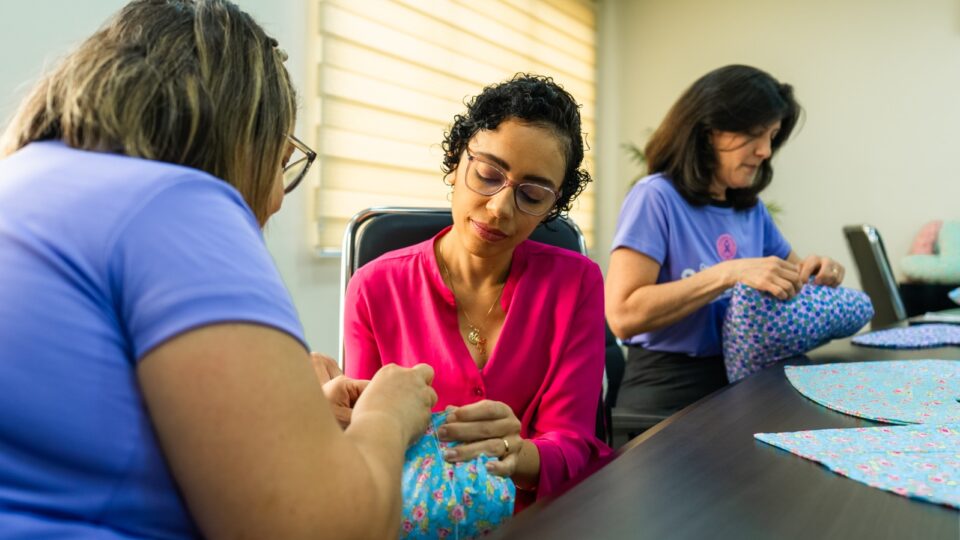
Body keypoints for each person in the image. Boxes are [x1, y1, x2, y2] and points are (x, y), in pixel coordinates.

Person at [0, 1, 438, 538]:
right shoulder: (178, 202)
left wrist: (286, 423)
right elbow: (321, 528)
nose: (276, 200)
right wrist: (389, 416)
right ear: (245, 131)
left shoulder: (25, 181)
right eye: (280, 165)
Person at [343, 74, 611, 511]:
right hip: (417, 517)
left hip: (538, 520)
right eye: (488, 175)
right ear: (454, 161)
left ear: (553, 206)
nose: (500, 208)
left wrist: (519, 453)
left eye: (532, 194)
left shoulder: (576, 283)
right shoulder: (375, 288)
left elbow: (574, 444)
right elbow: (366, 441)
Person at [605, 64, 846, 419]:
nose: (765, 150)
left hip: (746, 379)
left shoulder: (750, 209)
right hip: (671, 387)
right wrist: (728, 273)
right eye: (755, 134)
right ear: (708, 131)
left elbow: (794, 278)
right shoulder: (656, 197)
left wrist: (819, 271)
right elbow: (622, 315)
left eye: (772, 136)